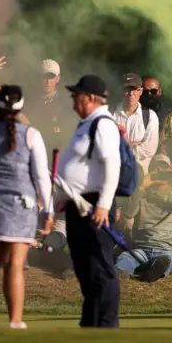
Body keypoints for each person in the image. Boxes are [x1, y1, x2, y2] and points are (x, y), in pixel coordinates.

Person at [0, 85, 54, 329]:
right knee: (15, 265)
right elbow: (41, 177)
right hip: (22, 205)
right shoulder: (32, 135)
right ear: (21, 108)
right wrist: (48, 210)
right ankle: (15, 321)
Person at [58, 74, 122, 328]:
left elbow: (112, 164)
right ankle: (91, 321)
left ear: (91, 98)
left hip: (95, 204)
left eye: (77, 95)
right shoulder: (86, 123)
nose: (73, 99)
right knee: (84, 266)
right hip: (78, 205)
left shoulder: (102, 123)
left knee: (100, 266)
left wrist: (104, 204)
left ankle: (106, 324)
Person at [116, 154, 172, 281]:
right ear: (151, 173)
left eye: (165, 170)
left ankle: (154, 272)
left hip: (168, 250)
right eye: (157, 170)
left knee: (169, 261)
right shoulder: (141, 196)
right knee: (126, 257)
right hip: (142, 249)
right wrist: (142, 186)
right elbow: (129, 213)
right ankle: (121, 272)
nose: (162, 176)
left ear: (171, 172)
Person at [112, 73, 159, 175]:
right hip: (113, 174)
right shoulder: (110, 114)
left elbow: (148, 150)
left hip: (139, 178)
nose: (131, 93)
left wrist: (121, 145)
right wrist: (134, 143)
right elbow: (103, 146)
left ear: (141, 91)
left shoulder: (151, 116)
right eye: (127, 89)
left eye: (135, 89)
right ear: (122, 91)